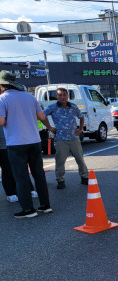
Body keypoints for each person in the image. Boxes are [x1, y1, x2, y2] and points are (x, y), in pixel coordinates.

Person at [0, 71, 52, 218]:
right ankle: (45, 205)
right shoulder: (30, 97)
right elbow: (41, 117)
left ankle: (28, 210)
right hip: (34, 141)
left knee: (21, 176)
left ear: (2, 85)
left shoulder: (3, 99)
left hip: (16, 144)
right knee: (39, 174)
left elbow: (1, 121)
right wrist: (49, 128)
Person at [43, 87, 89, 189]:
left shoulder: (73, 106)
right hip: (61, 139)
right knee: (60, 161)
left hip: (74, 138)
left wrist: (80, 129)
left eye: (64, 95)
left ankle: (84, 177)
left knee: (80, 159)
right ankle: (60, 180)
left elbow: (81, 117)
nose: (62, 97)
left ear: (68, 96)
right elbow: (42, 116)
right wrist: (49, 127)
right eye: (60, 95)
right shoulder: (52, 107)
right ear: (57, 96)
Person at [0, 124, 36, 203]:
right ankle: (11, 193)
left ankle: (29, 189)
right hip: (3, 146)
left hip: (15, 143)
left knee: (22, 167)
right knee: (7, 169)